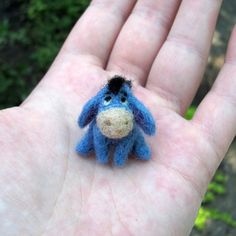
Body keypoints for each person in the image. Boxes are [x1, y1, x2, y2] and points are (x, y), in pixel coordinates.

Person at [0, 0, 235, 235]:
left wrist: (148, 128)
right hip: (98, 132)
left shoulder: (130, 99)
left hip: (128, 133)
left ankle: (131, 153)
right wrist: (91, 137)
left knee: (134, 142)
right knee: (92, 140)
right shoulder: (100, 98)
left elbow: (144, 117)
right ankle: (97, 150)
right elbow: (87, 114)